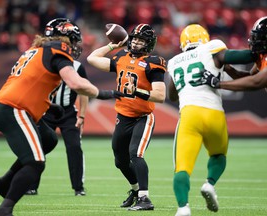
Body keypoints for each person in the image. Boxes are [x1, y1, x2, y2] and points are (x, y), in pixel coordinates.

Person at [0, 18, 123, 216]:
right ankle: (4, 209)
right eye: (73, 40)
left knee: (49, 139)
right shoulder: (57, 49)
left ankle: (3, 182)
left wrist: (51, 105)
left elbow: (29, 82)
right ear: (64, 38)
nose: (74, 46)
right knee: (35, 163)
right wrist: (105, 93)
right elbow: (76, 83)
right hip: (14, 109)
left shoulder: (37, 50)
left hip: (13, 106)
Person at [167, 24, 256, 216]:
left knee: (182, 167)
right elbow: (241, 57)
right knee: (218, 155)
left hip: (190, 114)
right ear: (205, 38)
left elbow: (172, 95)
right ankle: (209, 184)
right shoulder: (212, 48)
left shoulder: (173, 61)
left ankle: (183, 208)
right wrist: (258, 51)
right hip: (215, 114)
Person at [87, 23, 166, 211]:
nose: (136, 43)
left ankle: (145, 199)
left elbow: (160, 96)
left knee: (135, 154)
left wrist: (137, 90)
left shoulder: (153, 62)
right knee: (120, 161)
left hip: (143, 116)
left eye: (141, 40)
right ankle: (136, 190)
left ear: (149, 44)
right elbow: (92, 58)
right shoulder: (121, 56)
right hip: (123, 116)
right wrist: (112, 46)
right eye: (135, 39)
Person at [25, 61, 89, 196]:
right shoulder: (45, 63)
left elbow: (84, 91)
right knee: (39, 147)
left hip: (68, 112)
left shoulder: (77, 66)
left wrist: (82, 116)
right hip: (46, 111)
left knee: (74, 147)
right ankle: (31, 185)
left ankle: (78, 187)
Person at [202, 16, 267, 91]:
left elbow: (256, 82)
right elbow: (249, 78)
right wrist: (228, 68)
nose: (255, 41)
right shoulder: (262, 56)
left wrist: (218, 83)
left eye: (260, 37)